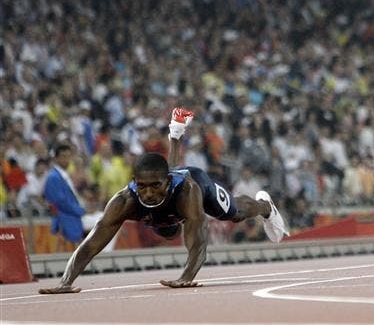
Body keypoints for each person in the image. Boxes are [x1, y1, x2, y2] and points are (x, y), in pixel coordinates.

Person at [39, 108, 289, 294]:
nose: (147, 193)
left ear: (166, 184)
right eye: (142, 186)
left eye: (154, 186)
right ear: (135, 182)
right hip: (166, 197)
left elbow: (198, 243)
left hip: (199, 184)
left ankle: (265, 205)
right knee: (166, 226)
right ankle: (176, 134)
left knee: (232, 213)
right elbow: (91, 244)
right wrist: (66, 281)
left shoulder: (187, 193)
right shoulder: (125, 200)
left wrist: (186, 276)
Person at [43, 144, 87, 245]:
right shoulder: (53, 177)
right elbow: (61, 203)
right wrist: (81, 211)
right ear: (56, 158)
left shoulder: (64, 174)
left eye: (68, 156)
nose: (66, 160)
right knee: (103, 222)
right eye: (63, 157)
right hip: (66, 217)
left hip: (73, 213)